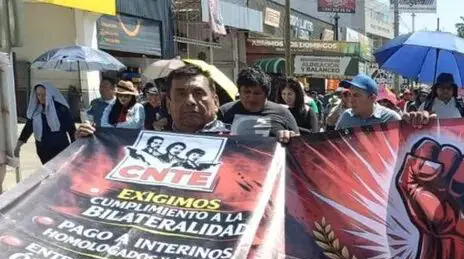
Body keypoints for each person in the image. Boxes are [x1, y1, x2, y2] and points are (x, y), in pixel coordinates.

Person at [78, 64, 229, 139]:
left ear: (215, 102)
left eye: (198, 93)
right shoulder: (150, 143)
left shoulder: (240, 142)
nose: (190, 101)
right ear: (168, 105)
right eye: (180, 94)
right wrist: (87, 144)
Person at [220, 67, 299, 141]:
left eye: (257, 93)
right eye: (246, 92)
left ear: (266, 94)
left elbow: (299, 146)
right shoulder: (225, 111)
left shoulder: (283, 113)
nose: (251, 97)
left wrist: (290, 138)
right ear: (239, 92)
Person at [14, 82, 75, 164]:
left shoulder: (61, 109)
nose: (41, 98)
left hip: (61, 149)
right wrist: (18, 146)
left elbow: (72, 130)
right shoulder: (35, 110)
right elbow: (27, 129)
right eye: (38, 95)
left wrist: (75, 149)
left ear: (50, 94)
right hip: (43, 150)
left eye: (44, 95)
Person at [335, 74, 401, 129]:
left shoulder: (391, 119)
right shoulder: (346, 117)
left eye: (356, 95)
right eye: (350, 94)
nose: (351, 100)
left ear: (372, 98)